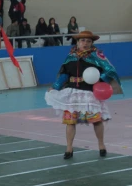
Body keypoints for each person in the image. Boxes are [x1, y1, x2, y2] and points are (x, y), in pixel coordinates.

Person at [45, 31, 122, 159]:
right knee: (70, 121)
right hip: (72, 93)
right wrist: (55, 86)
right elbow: (65, 74)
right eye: (82, 41)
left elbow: (109, 70)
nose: (85, 43)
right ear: (77, 42)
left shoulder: (97, 56)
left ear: (92, 43)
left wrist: (99, 80)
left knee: (96, 121)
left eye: (88, 41)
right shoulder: (70, 56)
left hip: (89, 94)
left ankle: (101, 145)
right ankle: (69, 148)